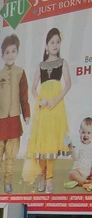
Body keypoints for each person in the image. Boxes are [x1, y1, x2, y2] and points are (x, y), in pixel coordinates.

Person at [24, 27, 72, 194]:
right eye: (52, 42)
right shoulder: (41, 66)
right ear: (46, 45)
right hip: (43, 109)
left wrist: (55, 100)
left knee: (51, 144)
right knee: (41, 145)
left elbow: (68, 84)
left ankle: (49, 178)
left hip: (56, 108)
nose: (55, 45)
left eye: (58, 42)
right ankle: (42, 177)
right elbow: (33, 88)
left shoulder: (63, 62)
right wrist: (41, 100)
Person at [0, 33, 30, 193]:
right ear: (2, 55)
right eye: (7, 52)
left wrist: (27, 114)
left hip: (14, 122)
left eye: (13, 51)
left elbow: (24, 95)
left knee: (11, 156)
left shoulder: (20, 72)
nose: (10, 55)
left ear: (17, 52)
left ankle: (8, 182)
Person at [65, 117, 92, 191]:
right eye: (83, 132)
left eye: (89, 133)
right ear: (79, 132)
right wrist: (71, 149)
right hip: (79, 171)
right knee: (72, 174)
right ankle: (85, 182)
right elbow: (75, 158)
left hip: (89, 171)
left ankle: (87, 179)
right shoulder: (78, 146)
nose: (85, 135)